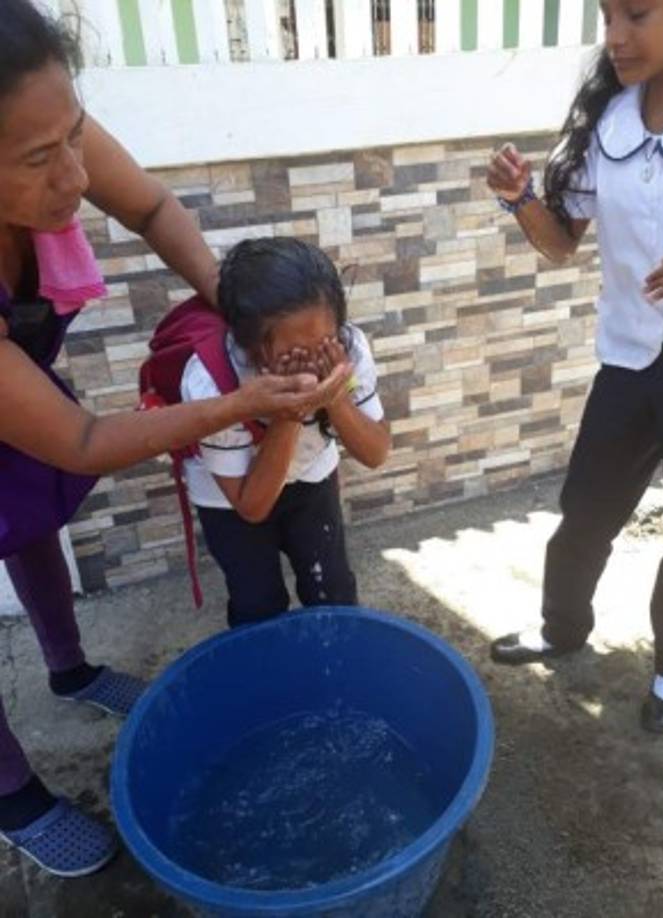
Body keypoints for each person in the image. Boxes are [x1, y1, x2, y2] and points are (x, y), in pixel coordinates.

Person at [0, 0, 348, 877]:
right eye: (42, 159)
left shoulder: (42, 123)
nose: (76, 176)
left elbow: (152, 207)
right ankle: (11, 792)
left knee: (26, 511)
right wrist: (238, 404)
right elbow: (80, 439)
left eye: (74, 132)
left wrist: (243, 327)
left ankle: (70, 671)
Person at [487, 0, 663, 734]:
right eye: (606, 14)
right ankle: (561, 627)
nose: (613, 36)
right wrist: (518, 202)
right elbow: (561, 242)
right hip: (631, 356)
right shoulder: (608, 122)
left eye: (636, 13)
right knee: (584, 514)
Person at [181, 237, 391, 626]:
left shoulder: (349, 350)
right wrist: (288, 414)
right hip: (232, 498)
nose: (312, 361)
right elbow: (251, 505)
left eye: (323, 343)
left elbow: (376, 452)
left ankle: (335, 669)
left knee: (332, 589)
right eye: (293, 354)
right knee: (258, 604)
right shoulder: (212, 382)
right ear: (250, 346)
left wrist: (337, 396)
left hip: (311, 474)